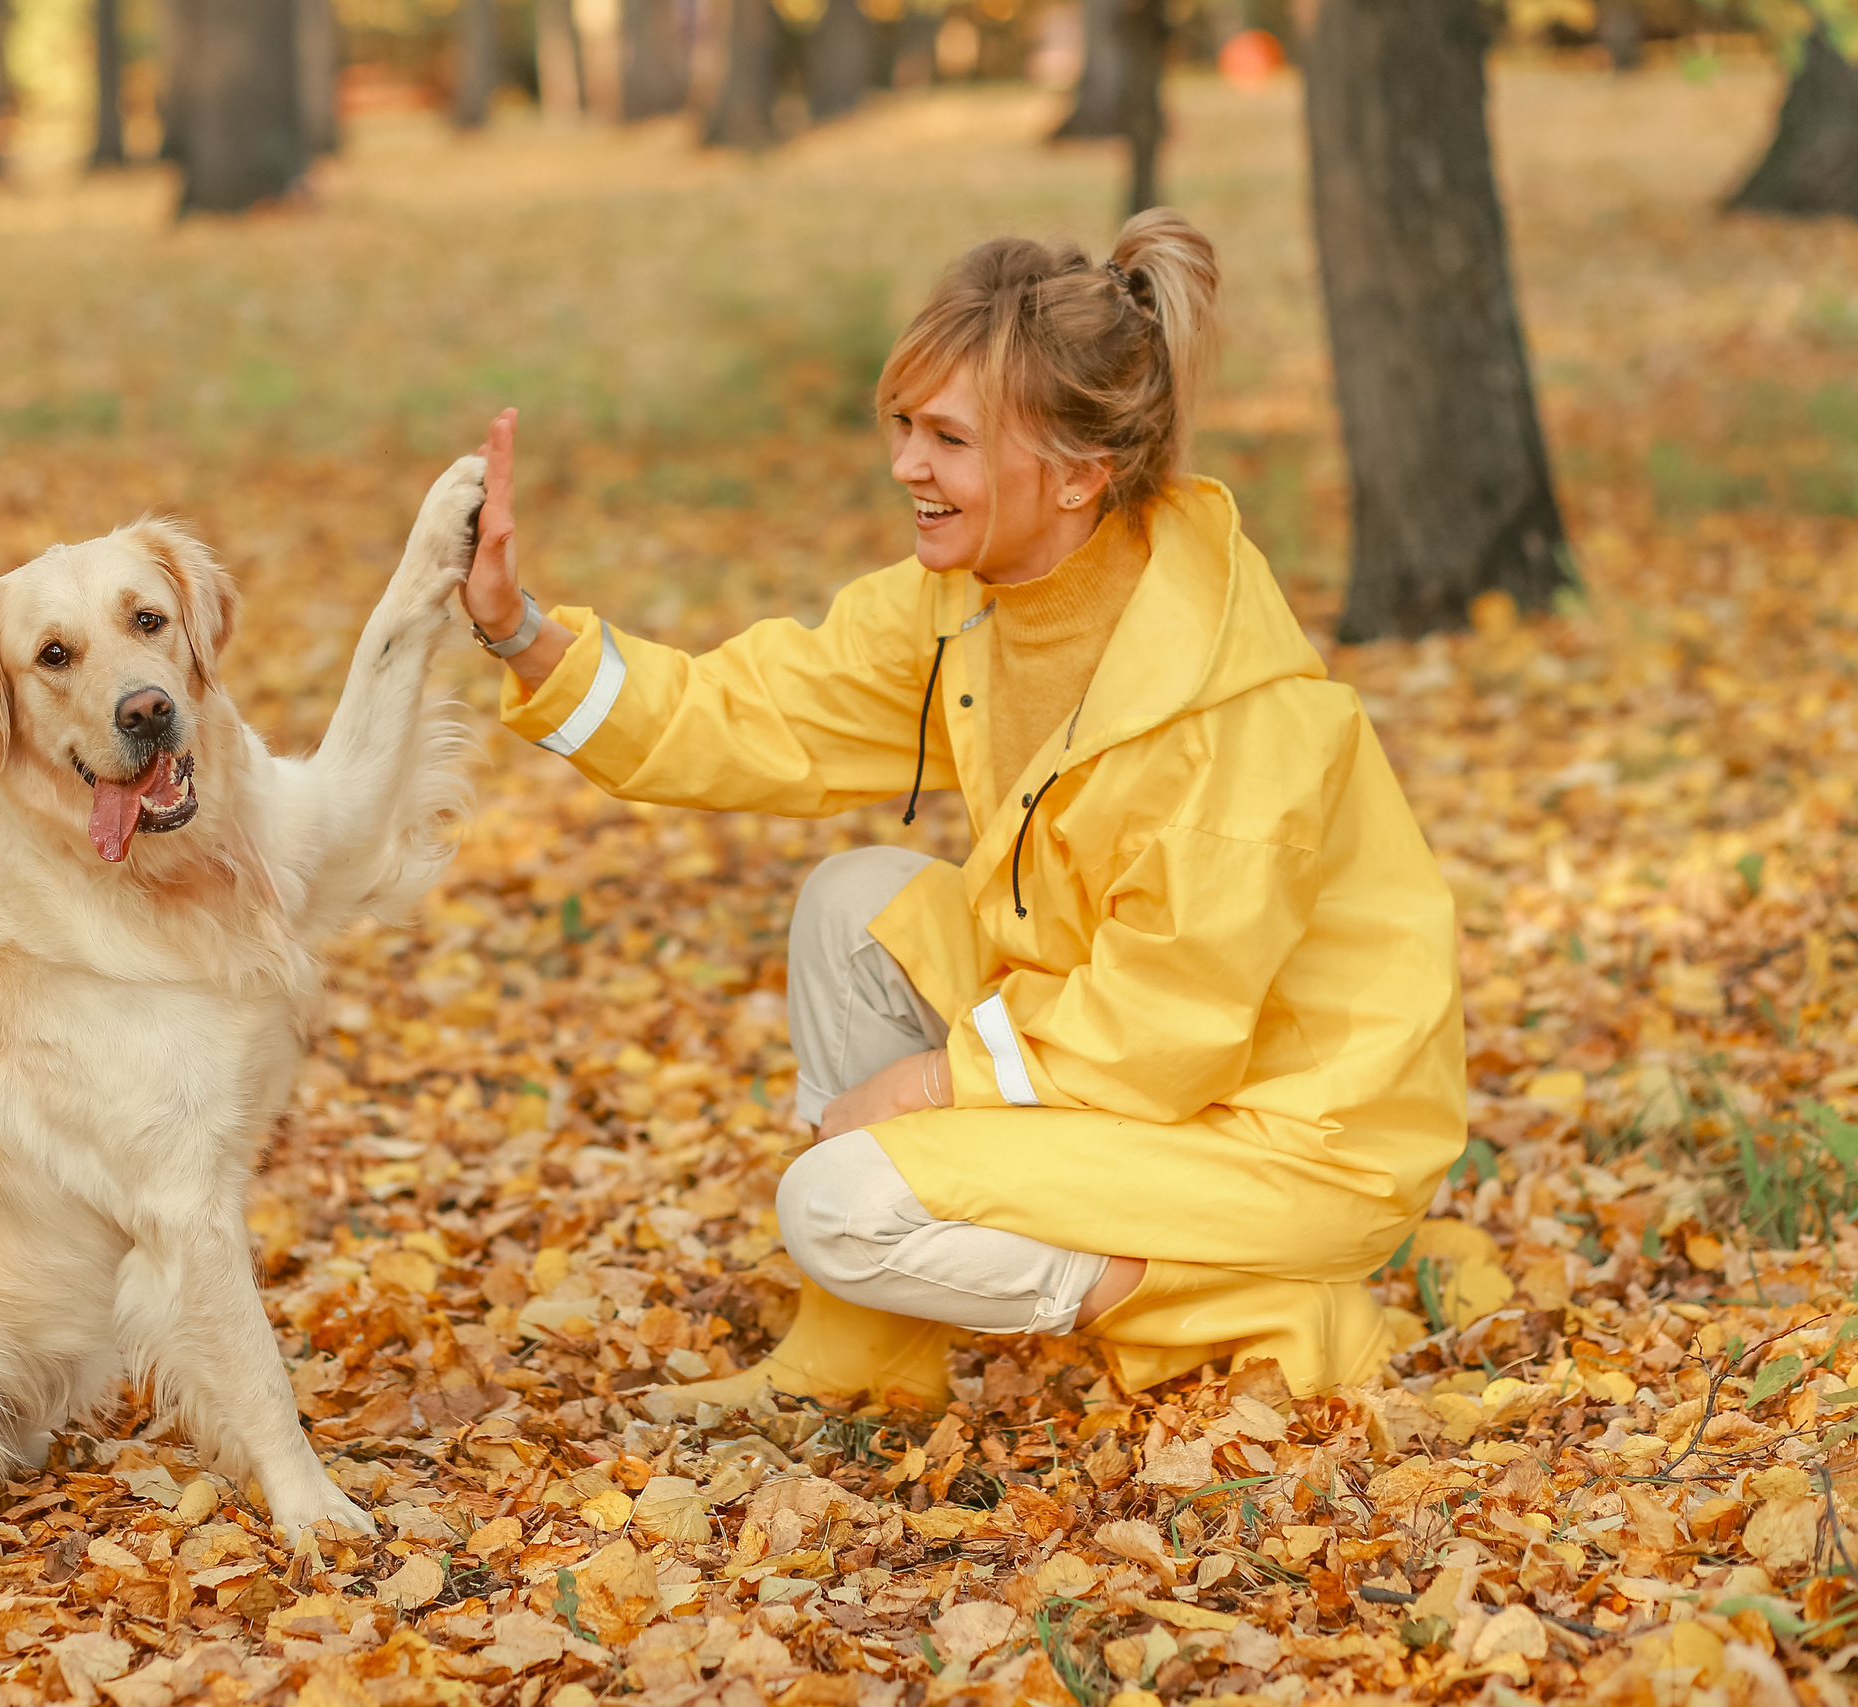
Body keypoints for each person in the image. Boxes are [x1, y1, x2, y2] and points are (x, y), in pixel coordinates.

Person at [458, 211, 1465, 1404]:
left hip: (1293, 1141)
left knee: (835, 1204)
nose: (906, 469)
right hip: (1137, 1066)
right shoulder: (974, 601)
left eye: (949, 439)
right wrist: (523, 635)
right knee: (855, 904)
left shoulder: (1231, 721)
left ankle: (1261, 1303)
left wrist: (932, 1088)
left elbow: (1159, 1034)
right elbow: (749, 714)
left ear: (1081, 475)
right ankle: (865, 1367)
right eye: (904, 427)